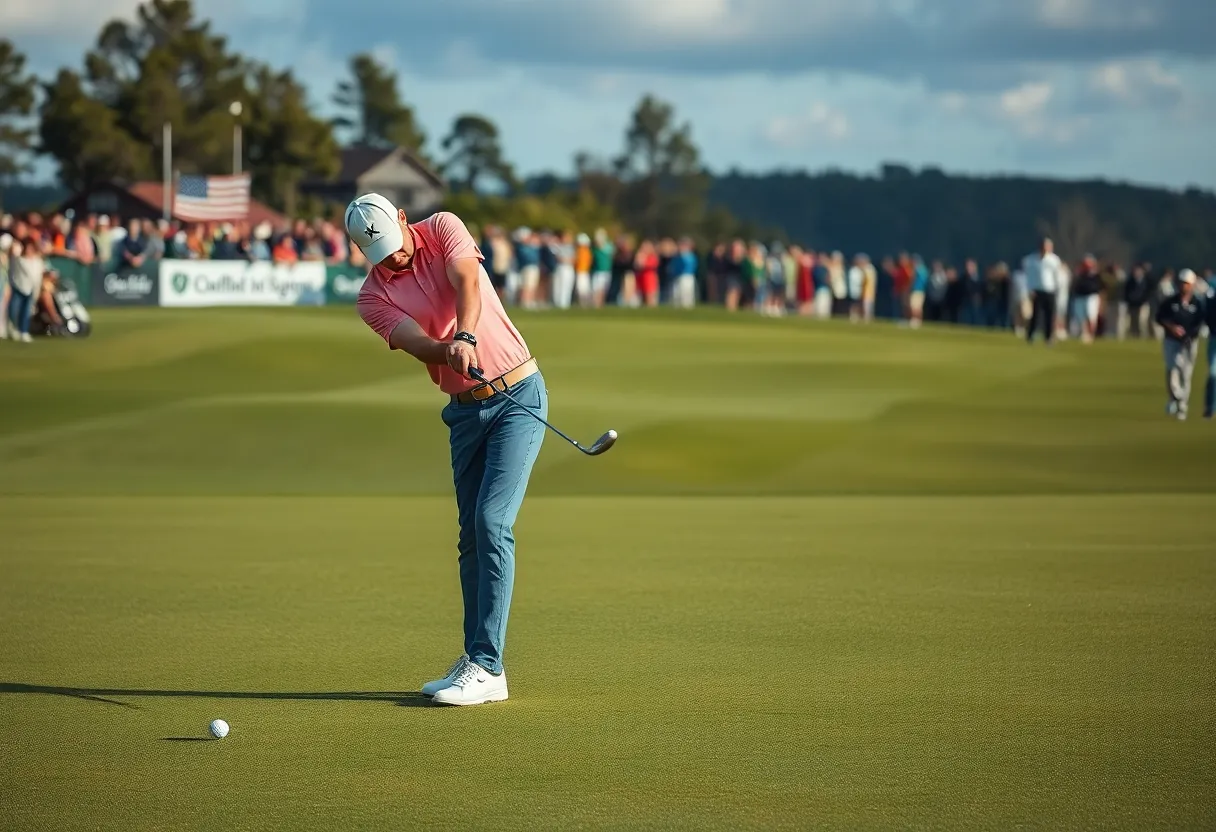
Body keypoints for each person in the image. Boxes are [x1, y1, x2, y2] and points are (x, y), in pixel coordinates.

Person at [347, 193, 547, 706]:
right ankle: (477, 661)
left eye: (393, 245)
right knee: (469, 538)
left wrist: (465, 334)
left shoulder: (443, 228)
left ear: (402, 219)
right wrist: (445, 351)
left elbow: (467, 282)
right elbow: (416, 342)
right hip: (463, 413)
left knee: (491, 521)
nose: (392, 258)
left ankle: (487, 666)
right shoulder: (372, 296)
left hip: (517, 394)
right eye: (379, 255)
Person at [1154, 269, 1205, 421]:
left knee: (1186, 373)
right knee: (1172, 368)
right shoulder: (1171, 301)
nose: (1184, 287)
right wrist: (1171, 328)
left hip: (1190, 342)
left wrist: (1189, 335)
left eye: (1187, 284)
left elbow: (1199, 322)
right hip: (1172, 341)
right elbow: (1160, 317)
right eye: (1182, 283)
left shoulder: (1197, 303)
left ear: (1192, 285)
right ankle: (1175, 397)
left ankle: (1182, 405)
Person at [1023, 237, 1065, 345]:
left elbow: (1057, 276)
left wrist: (1057, 289)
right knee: (1035, 315)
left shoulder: (1054, 260)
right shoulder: (1031, 260)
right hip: (1036, 290)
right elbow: (1029, 276)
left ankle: (1049, 337)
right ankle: (1030, 335)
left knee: (1049, 315)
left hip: (1050, 290)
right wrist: (1029, 289)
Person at [7, 235, 43, 342]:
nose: (29, 250)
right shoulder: (18, 260)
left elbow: (37, 277)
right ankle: (14, 329)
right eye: (27, 247)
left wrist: (36, 291)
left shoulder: (38, 261)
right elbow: (13, 252)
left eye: (31, 248)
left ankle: (24, 331)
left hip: (31, 290)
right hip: (18, 288)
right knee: (14, 310)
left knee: (26, 312)